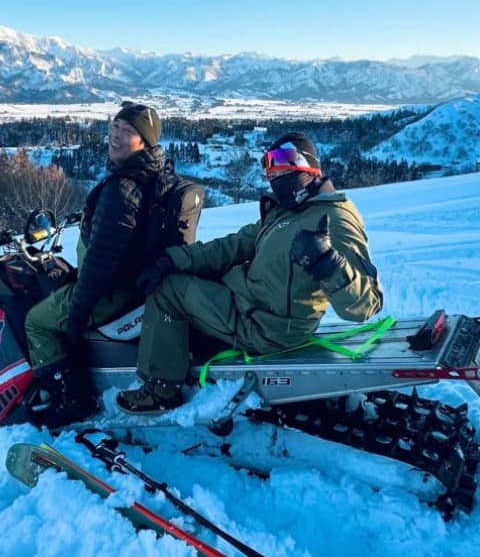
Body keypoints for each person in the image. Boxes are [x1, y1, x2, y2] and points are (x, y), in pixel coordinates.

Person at [116, 132, 383, 414]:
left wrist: (328, 262)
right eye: (269, 167)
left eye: (282, 163)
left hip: (266, 327)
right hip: (247, 302)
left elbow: (366, 305)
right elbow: (234, 245)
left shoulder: (335, 218)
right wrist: (174, 259)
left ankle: (161, 390)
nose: (274, 174)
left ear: (309, 165)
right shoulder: (289, 211)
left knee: (168, 292)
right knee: (190, 278)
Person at [25, 102, 164, 428]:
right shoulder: (148, 175)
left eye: (127, 131)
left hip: (110, 292)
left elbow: (102, 262)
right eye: (115, 126)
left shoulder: (123, 189)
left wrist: (78, 314)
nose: (116, 135)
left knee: (36, 322)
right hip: (131, 283)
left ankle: (72, 400)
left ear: (144, 142)